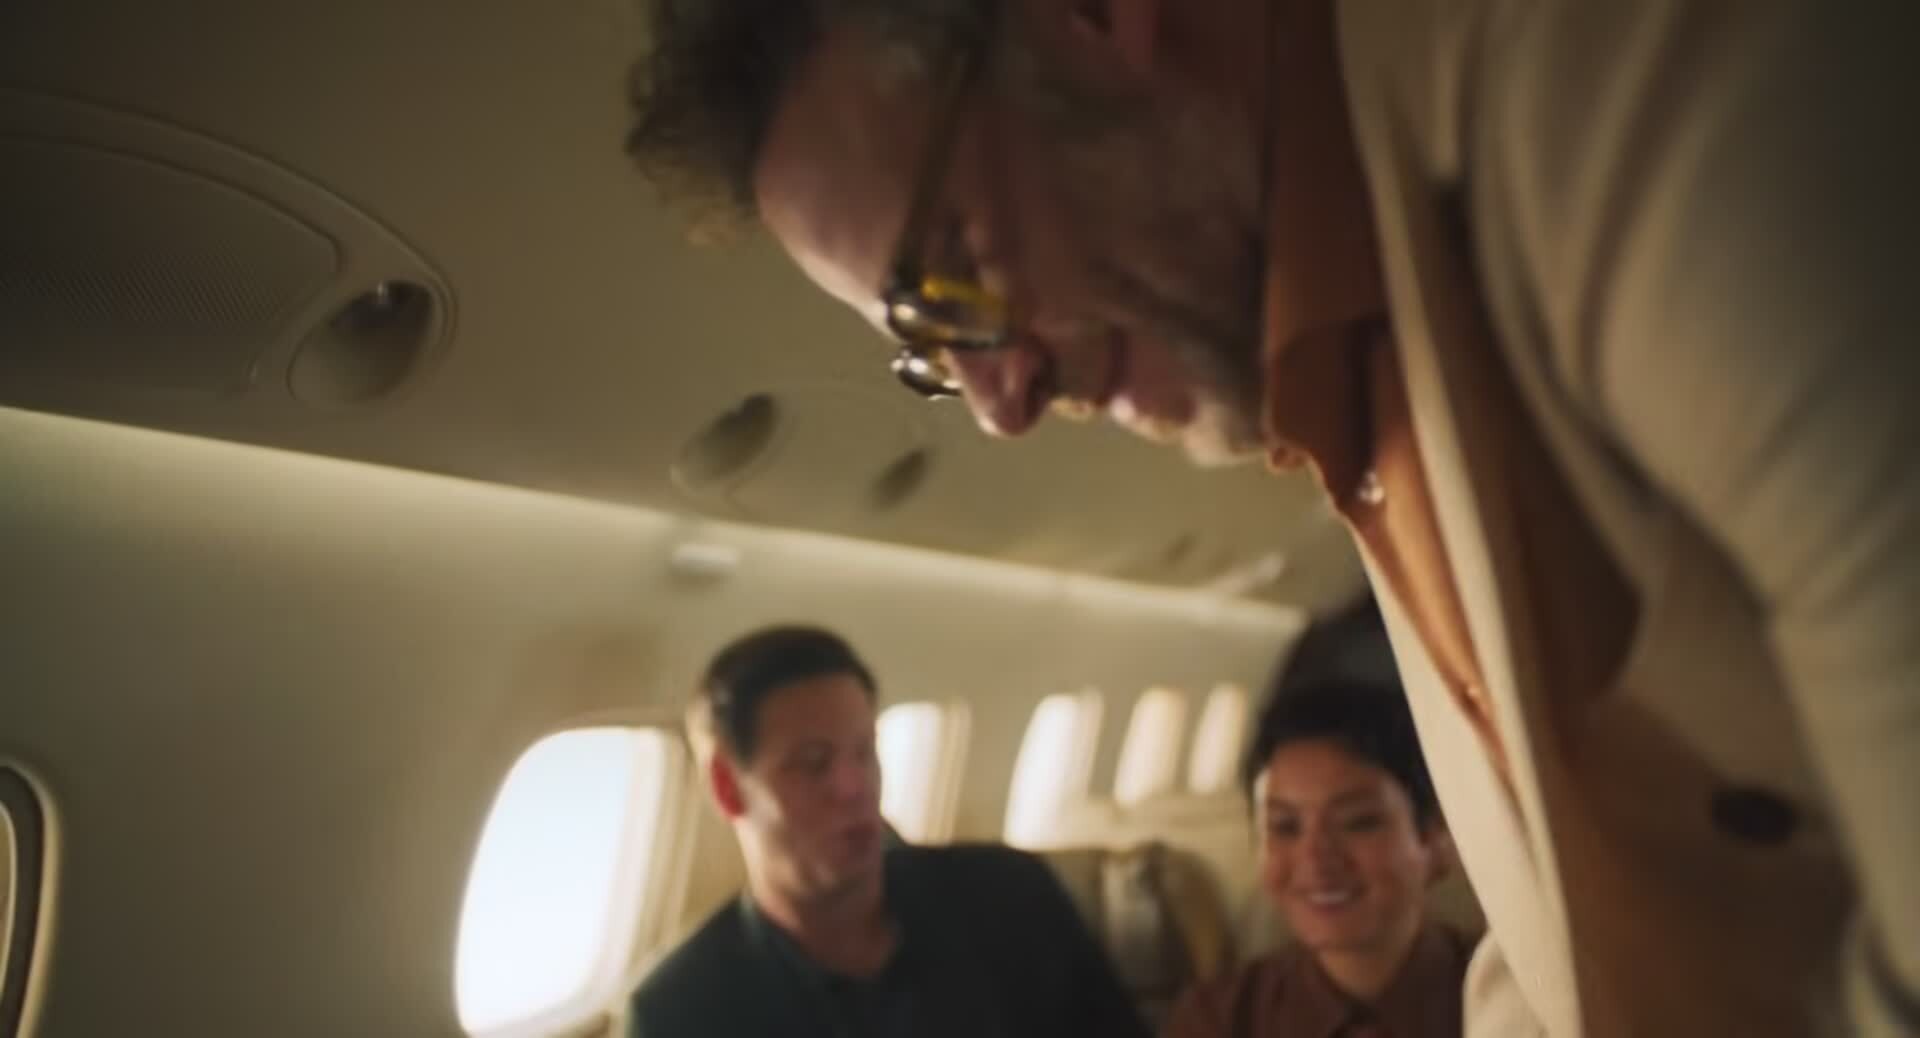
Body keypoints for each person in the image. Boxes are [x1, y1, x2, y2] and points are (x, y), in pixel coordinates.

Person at [621, 2, 1920, 1033]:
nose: (1001, 402)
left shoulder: (1605, 83)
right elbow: (1570, 948)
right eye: (929, 351)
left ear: (1095, 16)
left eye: (950, 277)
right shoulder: (1354, 384)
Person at [626, 624, 1150, 1037]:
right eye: (813, 763)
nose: (854, 787)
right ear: (726, 788)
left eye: (865, 752)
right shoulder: (682, 1011)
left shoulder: (1014, 899)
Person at [1169, 675, 1472, 1038]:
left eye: (1357, 822)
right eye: (1285, 827)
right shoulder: (1220, 1018)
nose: (1314, 858)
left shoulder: (1511, 994)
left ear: (1435, 838)